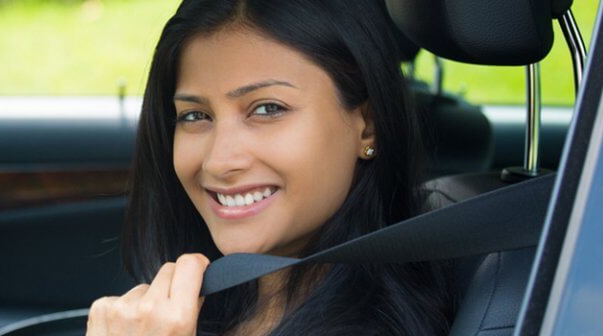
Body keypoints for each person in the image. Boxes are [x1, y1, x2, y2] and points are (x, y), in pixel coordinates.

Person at [88, 0, 454, 335]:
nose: (219, 161)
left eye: (268, 109)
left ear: (368, 125)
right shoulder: (215, 308)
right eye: (195, 115)